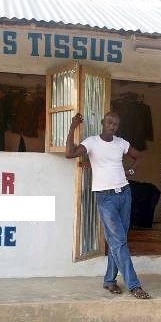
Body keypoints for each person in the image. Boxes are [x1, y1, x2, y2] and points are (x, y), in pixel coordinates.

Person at [65, 111, 151, 299]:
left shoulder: (121, 143)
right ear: (103, 123)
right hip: (105, 197)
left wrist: (131, 171)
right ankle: (134, 285)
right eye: (109, 123)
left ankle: (110, 280)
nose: (112, 126)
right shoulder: (92, 142)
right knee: (119, 240)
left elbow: (139, 157)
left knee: (117, 240)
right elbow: (69, 153)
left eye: (115, 124)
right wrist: (73, 127)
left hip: (124, 194)